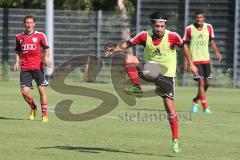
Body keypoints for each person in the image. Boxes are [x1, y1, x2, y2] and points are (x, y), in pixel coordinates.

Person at [105, 11, 198, 153]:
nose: (159, 29)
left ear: (165, 25)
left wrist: (191, 63)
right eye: (157, 26)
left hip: (166, 76)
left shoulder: (173, 36)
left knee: (170, 108)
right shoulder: (144, 35)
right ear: (152, 25)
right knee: (129, 58)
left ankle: (175, 140)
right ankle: (137, 88)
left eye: (162, 26)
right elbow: (127, 43)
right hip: (150, 69)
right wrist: (114, 50)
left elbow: (184, 46)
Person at [13, 14, 52, 123]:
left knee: (41, 90)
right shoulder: (19, 37)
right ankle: (33, 107)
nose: (29, 24)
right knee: (24, 92)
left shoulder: (40, 35)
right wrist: (16, 62)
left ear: (34, 24)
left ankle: (44, 115)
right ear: (24, 24)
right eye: (27, 22)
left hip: (38, 67)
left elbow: (46, 48)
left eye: (31, 22)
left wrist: (47, 57)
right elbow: (18, 51)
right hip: (25, 68)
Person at [183, 11, 222, 114]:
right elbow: (185, 46)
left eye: (201, 17)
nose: (199, 19)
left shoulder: (209, 27)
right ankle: (205, 107)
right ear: (194, 18)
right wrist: (186, 61)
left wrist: (217, 52)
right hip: (195, 60)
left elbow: (212, 41)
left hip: (206, 59)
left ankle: (196, 99)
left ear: (204, 18)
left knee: (207, 83)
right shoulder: (189, 29)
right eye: (197, 17)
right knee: (201, 82)